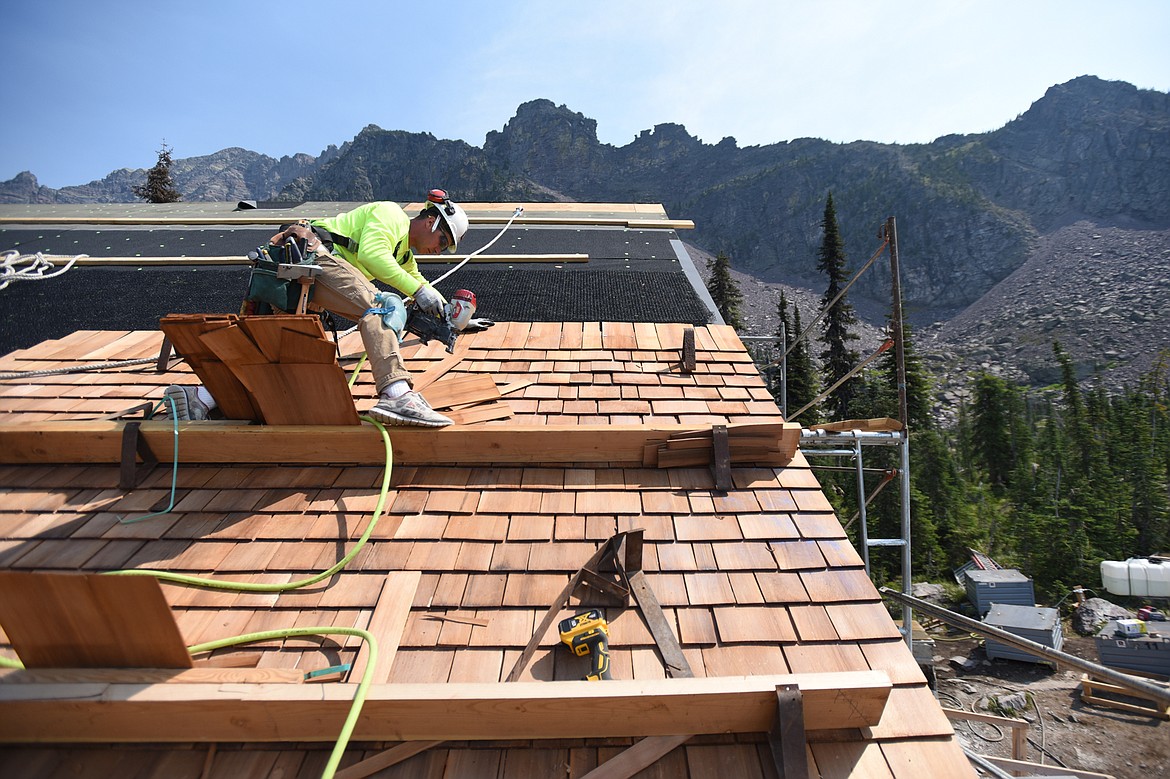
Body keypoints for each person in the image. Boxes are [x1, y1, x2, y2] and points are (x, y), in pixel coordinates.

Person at [163, 192, 469, 427]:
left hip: (297, 271)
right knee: (383, 307)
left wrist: (453, 318)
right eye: (443, 240)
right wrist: (417, 291)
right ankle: (397, 394)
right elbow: (374, 255)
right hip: (313, 256)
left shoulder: (403, 254)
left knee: (272, 348)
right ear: (431, 221)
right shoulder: (393, 216)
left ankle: (198, 400)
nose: (439, 249)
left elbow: (419, 282)